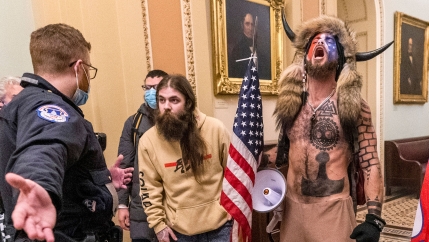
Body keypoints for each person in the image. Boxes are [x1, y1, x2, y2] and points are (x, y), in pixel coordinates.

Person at [0, 23, 134, 242]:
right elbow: (43, 148)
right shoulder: (52, 109)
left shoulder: (21, 104)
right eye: (89, 70)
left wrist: (102, 180)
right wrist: (38, 185)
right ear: (79, 67)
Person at [273, 15, 391, 242]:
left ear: (339, 58)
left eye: (328, 41)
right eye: (315, 41)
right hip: (292, 210)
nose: (319, 43)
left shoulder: (355, 107)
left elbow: (370, 163)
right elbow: (288, 151)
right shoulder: (291, 103)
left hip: (332, 210)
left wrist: (374, 218)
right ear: (306, 54)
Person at [138, 74, 231, 242]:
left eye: (174, 100)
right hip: (178, 230)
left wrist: (234, 212)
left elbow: (233, 174)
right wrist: (158, 225)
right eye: (162, 100)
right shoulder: (148, 141)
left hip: (220, 226)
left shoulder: (215, 129)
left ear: (188, 103)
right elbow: (149, 188)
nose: (166, 107)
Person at [117, 69, 168, 242]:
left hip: (173, 209)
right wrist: (122, 205)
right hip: (141, 211)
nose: (151, 92)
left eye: (156, 87)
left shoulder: (178, 122)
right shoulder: (133, 123)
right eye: (147, 88)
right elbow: (124, 167)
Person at [229, 12, 270, 80]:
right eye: (247, 24)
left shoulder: (259, 49)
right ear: (242, 25)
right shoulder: (237, 50)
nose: (250, 28)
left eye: (252, 24)